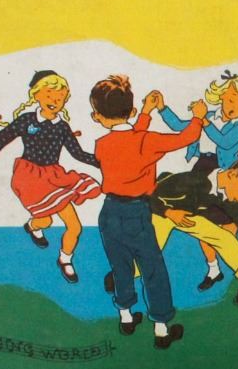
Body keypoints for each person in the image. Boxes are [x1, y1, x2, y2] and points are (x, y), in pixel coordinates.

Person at [87, 77, 206, 348]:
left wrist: (145, 113)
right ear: (130, 111)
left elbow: (128, 143)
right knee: (153, 269)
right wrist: (198, 117)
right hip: (137, 213)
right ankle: (161, 329)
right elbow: (186, 137)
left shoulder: (102, 144)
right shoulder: (147, 141)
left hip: (109, 213)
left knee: (121, 267)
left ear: (97, 117)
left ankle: (126, 317)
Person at [0, 70, 102, 281]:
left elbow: (78, 154)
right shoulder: (27, 120)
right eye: (49, 95)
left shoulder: (62, 127)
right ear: (36, 95)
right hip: (30, 178)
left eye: (60, 98)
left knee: (75, 226)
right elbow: (0, 139)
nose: (54, 101)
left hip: (54, 178)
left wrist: (105, 164)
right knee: (45, 221)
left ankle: (65, 259)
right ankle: (32, 226)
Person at [145, 155, 238, 303]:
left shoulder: (227, 199)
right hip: (159, 212)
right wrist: (169, 212)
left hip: (186, 217)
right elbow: (148, 195)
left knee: (224, 238)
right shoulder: (193, 180)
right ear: (233, 174)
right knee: (146, 255)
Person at [158, 70, 238, 168]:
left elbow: (224, 142)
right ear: (222, 95)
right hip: (199, 160)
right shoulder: (209, 116)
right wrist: (162, 108)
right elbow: (178, 126)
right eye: (231, 101)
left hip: (223, 167)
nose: (234, 108)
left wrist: (204, 120)